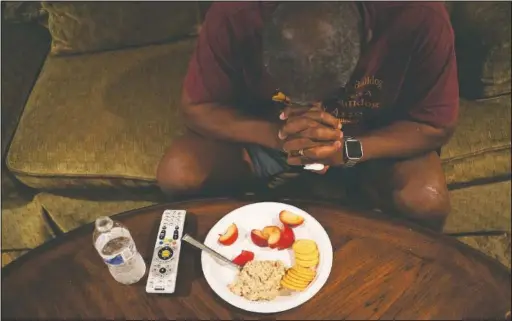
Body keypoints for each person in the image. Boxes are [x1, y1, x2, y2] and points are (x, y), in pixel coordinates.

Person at [157, 2, 459, 232]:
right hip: (269, 137)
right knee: (179, 174)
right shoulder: (236, 12)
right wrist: (279, 136)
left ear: (366, 35)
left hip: (366, 142)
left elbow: (435, 125)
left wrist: (348, 150)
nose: (312, 108)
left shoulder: (418, 14)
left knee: (426, 201)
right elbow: (197, 107)